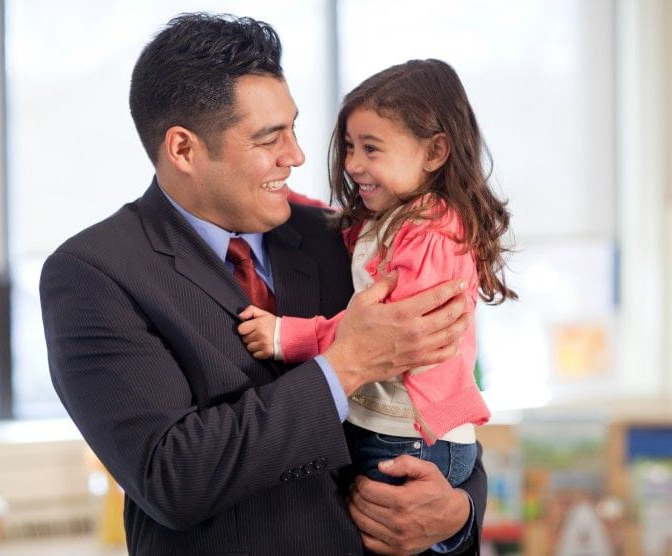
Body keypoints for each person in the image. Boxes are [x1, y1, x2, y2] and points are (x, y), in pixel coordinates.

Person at [39, 13, 485, 555]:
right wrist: (345, 365)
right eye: (269, 138)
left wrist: (455, 514)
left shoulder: (334, 237)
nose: (296, 156)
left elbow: (433, 406)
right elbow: (171, 476)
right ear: (184, 149)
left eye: (294, 128)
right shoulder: (93, 273)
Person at [239, 59, 516, 494]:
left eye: (371, 148)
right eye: (349, 147)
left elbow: (387, 335)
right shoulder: (396, 219)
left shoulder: (433, 234)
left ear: (434, 152)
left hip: (409, 437)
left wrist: (285, 337)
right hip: (399, 430)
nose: (352, 163)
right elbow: (338, 229)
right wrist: (275, 193)